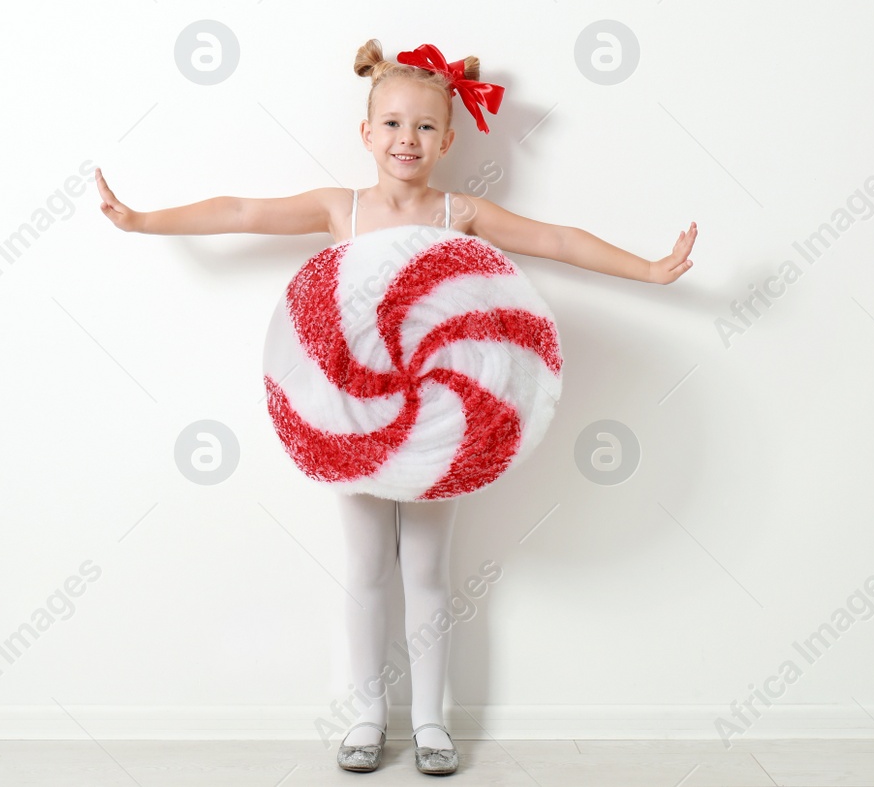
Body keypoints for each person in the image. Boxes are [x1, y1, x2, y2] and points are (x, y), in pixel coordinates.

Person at [95, 38, 698, 774]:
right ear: (366, 132)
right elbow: (243, 208)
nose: (405, 139)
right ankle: (367, 717)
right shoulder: (337, 208)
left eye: (421, 127)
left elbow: (553, 239)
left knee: (428, 570)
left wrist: (648, 268)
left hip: (442, 425)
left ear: (447, 138)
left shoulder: (459, 211)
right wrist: (142, 220)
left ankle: (431, 721)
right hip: (348, 418)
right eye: (390, 123)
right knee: (365, 568)